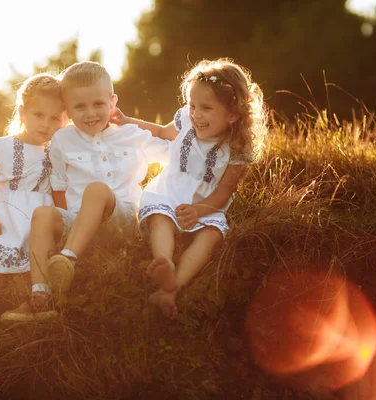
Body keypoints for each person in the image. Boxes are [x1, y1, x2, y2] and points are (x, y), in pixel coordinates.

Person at [1, 61, 170, 321]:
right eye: (80, 107)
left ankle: (66, 260)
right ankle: (40, 298)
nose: (90, 113)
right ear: (67, 111)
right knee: (43, 214)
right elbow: (58, 185)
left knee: (97, 190)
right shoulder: (62, 140)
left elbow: (179, 145)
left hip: (123, 221)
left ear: (112, 103)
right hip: (80, 224)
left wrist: (132, 121)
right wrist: (69, 222)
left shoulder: (131, 135)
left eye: (98, 104)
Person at [112, 58, 268, 319]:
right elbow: (161, 132)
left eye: (207, 108)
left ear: (233, 114)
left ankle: (172, 288)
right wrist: (127, 120)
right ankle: (165, 262)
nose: (196, 114)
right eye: (193, 105)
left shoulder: (238, 148)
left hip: (207, 201)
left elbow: (225, 191)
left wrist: (199, 210)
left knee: (212, 235)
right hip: (170, 189)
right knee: (160, 217)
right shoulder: (185, 120)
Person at [0, 73, 67, 336]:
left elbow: (60, 191)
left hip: (38, 218)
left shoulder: (57, 151)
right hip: (3, 216)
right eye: (38, 115)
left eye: (55, 118)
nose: (46, 124)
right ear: (22, 112)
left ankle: (26, 313)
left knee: (32, 266)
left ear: (64, 119)